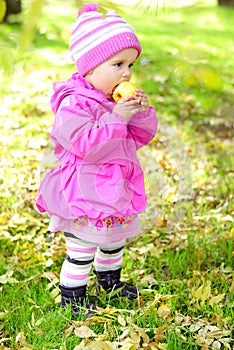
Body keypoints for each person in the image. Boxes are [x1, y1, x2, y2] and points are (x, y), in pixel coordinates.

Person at [36, 3, 158, 317]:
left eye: (131, 65)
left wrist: (140, 113)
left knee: (113, 240)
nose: (127, 73)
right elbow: (84, 144)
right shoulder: (73, 103)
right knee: (83, 247)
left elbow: (140, 137)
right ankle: (72, 298)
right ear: (89, 68)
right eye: (118, 64)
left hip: (115, 187)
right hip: (85, 192)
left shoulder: (112, 99)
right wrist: (117, 118)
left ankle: (109, 281)